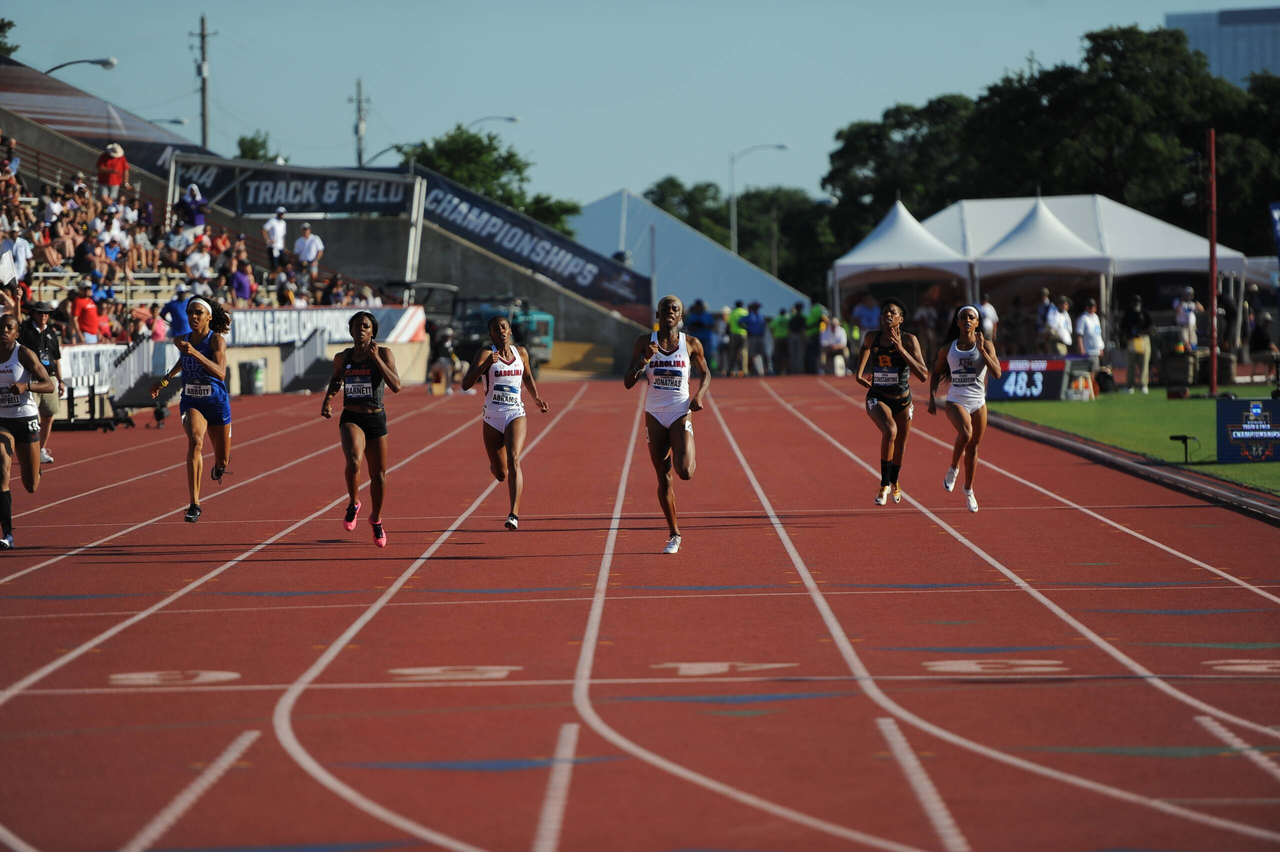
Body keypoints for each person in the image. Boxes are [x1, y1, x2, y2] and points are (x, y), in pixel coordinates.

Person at [623, 295, 710, 554]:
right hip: (655, 414)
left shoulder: (691, 343)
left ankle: (687, 450)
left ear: (680, 316)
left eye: (675, 308)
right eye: (665, 308)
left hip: (680, 411)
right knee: (664, 477)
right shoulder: (644, 342)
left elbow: (705, 373)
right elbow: (628, 382)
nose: (670, 311)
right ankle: (674, 534)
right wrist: (643, 361)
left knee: (685, 472)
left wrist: (699, 395)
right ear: (658, 314)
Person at [321, 311, 402, 547]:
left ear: (373, 331)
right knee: (354, 461)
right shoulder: (343, 357)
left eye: (365, 326)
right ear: (351, 330)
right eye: (357, 326)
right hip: (351, 416)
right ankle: (354, 502)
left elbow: (396, 385)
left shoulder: (384, 353)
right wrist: (328, 401)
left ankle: (376, 519)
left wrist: (376, 359)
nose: (361, 329)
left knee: (378, 475)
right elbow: (336, 379)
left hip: (376, 418)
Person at [149, 298, 233, 523]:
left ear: (209, 317)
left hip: (216, 403)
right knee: (196, 440)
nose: (193, 317)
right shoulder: (181, 340)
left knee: (223, 460)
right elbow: (181, 361)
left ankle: (219, 465)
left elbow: (221, 373)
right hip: (192, 401)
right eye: (190, 313)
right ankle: (194, 504)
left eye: (198, 313)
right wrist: (164, 381)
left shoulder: (216, 340)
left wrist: (195, 353)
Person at [462, 315, 549, 531]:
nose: (500, 331)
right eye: (495, 328)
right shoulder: (485, 353)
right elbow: (465, 384)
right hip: (491, 417)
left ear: (510, 331)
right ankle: (496, 466)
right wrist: (483, 365)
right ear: (490, 333)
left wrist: (536, 398)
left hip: (515, 413)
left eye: (503, 327)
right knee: (501, 474)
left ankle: (514, 514)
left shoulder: (521, 353)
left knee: (514, 459)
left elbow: (527, 376)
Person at [853, 297, 929, 506]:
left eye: (892, 313)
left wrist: (901, 350)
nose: (888, 315)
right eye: (885, 312)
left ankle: (895, 482)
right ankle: (884, 484)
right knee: (890, 431)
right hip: (878, 396)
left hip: (903, 400)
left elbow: (923, 375)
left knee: (901, 447)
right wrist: (859, 373)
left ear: (901, 319)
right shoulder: (872, 337)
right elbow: (864, 348)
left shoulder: (909, 340)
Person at [928, 306, 1001, 514]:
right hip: (955, 400)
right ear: (958, 323)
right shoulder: (948, 349)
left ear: (977, 323)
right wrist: (932, 398)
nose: (967, 320)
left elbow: (997, 373)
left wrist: (983, 351)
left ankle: (968, 490)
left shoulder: (986, 345)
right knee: (966, 433)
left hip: (978, 402)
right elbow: (935, 373)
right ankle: (953, 468)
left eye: (971, 317)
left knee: (973, 448)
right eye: (963, 317)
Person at [0, 313, 54, 549]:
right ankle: (8, 534)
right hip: (2, 420)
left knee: (31, 485)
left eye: (9, 327)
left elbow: (49, 385)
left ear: (16, 332)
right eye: (1, 327)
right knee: (1, 470)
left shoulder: (23, 354)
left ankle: (35, 465)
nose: (4, 330)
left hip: (25, 418)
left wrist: (26, 386)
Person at [18, 302, 64, 465]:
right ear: (33, 314)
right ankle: (29, 449)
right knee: (30, 416)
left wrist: (60, 380)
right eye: (40, 313)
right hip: (31, 378)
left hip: (49, 378)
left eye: (46, 314)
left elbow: (57, 359)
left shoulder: (51, 333)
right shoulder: (25, 330)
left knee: (49, 415)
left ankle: (41, 448)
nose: (44, 316)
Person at [1120, 294, 1154, 394]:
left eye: (1137, 303)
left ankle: (1143, 385)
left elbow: (1151, 326)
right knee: (1131, 363)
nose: (1136, 305)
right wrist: (1128, 335)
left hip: (1143, 340)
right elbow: (1123, 327)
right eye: (1134, 303)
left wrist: (1143, 332)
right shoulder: (1128, 313)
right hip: (1132, 340)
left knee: (1144, 363)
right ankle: (1130, 385)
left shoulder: (1145, 313)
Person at [427, 327, 467, 395]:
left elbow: (455, 355)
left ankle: (464, 387)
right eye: (445, 336)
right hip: (438, 364)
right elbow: (435, 357)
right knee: (446, 365)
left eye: (448, 336)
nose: (447, 338)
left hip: (451, 363)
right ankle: (448, 387)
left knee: (465, 364)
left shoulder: (453, 345)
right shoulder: (438, 345)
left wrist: (455, 361)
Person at [1075, 297, 1104, 382]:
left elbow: (1098, 333)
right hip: (1088, 350)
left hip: (1096, 349)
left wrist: (1101, 347)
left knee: (1095, 370)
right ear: (1087, 307)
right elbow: (1079, 334)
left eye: (1094, 307)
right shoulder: (1083, 318)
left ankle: (1093, 388)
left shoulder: (1096, 317)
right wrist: (1081, 348)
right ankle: (1088, 388)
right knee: (1088, 371)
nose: (1092, 309)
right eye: (1090, 307)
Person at [684, 300, 717, 375]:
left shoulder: (707, 315)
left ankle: (707, 370)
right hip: (695, 338)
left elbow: (712, 325)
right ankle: (694, 370)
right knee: (693, 355)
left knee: (706, 354)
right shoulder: (692, 316)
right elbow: (688, 326)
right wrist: (695, 326)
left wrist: (703, 325)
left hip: (705, 338)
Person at [1249, 312, 1279, 382]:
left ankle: (1268, 376)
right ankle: (1274, 377)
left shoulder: (1258, 329)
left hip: (1255, 353)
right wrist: (1278, 352)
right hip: (1258, 354)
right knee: (1277, 357)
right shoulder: (1261, 330)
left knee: (1273, 358)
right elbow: (1270, 345)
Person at [743, 301, 767, 376]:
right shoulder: (750, 315)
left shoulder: (760, 315)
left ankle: (764, 369)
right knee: (751, 354)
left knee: (762, 353)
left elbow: (763, 324)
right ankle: (751, 370)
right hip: (752, 337)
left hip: (760, 337)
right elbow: (740, 321)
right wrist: (747, 330)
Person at [262, 206, 288, 271]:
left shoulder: (283, 223)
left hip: (280, 248)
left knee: (284, 264)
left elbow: (283, 236)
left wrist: (284, 247)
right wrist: (268, 240)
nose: (282, 215)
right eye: (281, 213)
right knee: (274, 267)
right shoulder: (272, 221)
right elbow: (263, 230)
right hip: (273, 247)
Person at [727, 300, 748, 377]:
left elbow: (728, 324)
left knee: (733, 352)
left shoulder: (732, 313)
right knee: (743, 352)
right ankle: (743, 370)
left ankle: (731, 370)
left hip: (734, 334)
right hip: (743, 333)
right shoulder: (745, 312)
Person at [769, 308, 791, 374]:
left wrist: (773, 334)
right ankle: (784, 369)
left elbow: (770, 327)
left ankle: (777, 369)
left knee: (777, 354)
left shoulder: (777, 319)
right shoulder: (787, 319)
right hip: (785, 338)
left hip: (778, 338)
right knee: (785, 355)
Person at [787, 302, 807, 374]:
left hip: (793, 336)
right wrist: (805, 338)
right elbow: (803, 329)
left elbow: (789, 329)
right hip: (799, 336)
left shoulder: (792, 318)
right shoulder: (802, 318)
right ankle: (799, 370)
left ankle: (793, 369)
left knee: (793, 354)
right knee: (800, 354)